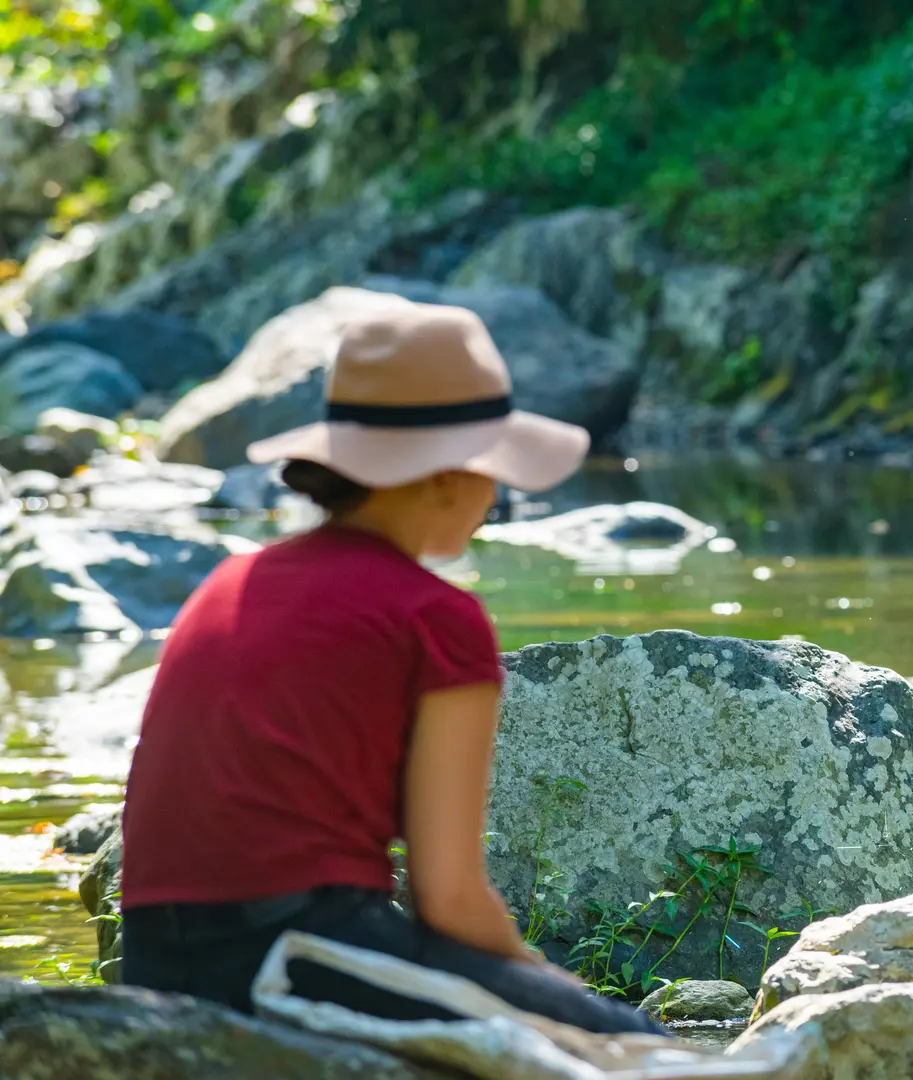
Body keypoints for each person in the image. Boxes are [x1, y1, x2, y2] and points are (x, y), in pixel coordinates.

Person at [118, 301, 661, 1034]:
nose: (497, 497)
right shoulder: (436, 618)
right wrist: (543, 984)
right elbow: (450, 899)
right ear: (447, 479)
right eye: (493, 473)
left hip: (153, 959)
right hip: (299, 954)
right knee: (632, 1045)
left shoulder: (229, 582)